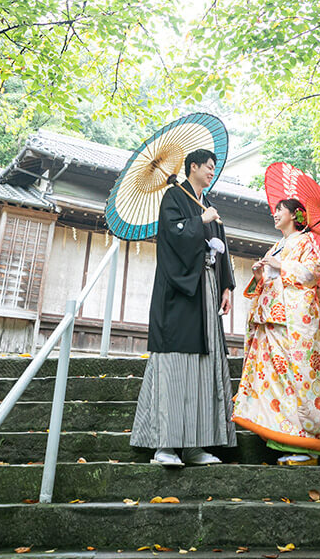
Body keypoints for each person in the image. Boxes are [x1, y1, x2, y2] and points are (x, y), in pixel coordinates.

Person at [130, 148, 237, 466]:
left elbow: (220, 248)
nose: (211, 172)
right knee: (175, 366)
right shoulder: (174, 198)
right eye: (207, 167)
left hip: (205, 290)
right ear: (192, 167)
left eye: (213, 168)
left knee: (204, 367)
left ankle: (195, 446)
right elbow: (170, 236)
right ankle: (165, 446)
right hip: (179, 294)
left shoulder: (204, 202)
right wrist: (198, 221)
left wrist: (226, 285)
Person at [233, 197, 320, 465]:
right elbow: (269, 284)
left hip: (292, 325)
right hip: (272, 321)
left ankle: (307, 445)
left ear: (294, 216)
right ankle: (285, 439)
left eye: (280, 210)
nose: (274, 214)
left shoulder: (306, 242)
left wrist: (282, 266)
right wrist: (259, 276)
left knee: (296, 382)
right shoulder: (276, 246)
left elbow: (313, 274)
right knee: (275, 384)